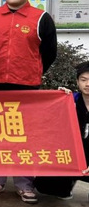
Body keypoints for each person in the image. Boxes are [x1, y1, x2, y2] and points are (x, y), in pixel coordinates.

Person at [0, 0, 57, 204]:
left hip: (26, 86)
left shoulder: (41, 18)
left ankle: (24, 183)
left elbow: (49, 53)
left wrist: (31, 70)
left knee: (24, 135)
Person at [36, 62, 89, 199]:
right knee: (46, 186)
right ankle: (67, 184)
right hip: (73, 153)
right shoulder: (71, 99)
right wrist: (58, 97)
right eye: (83, 80)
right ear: (77, 82)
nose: (87, 84)